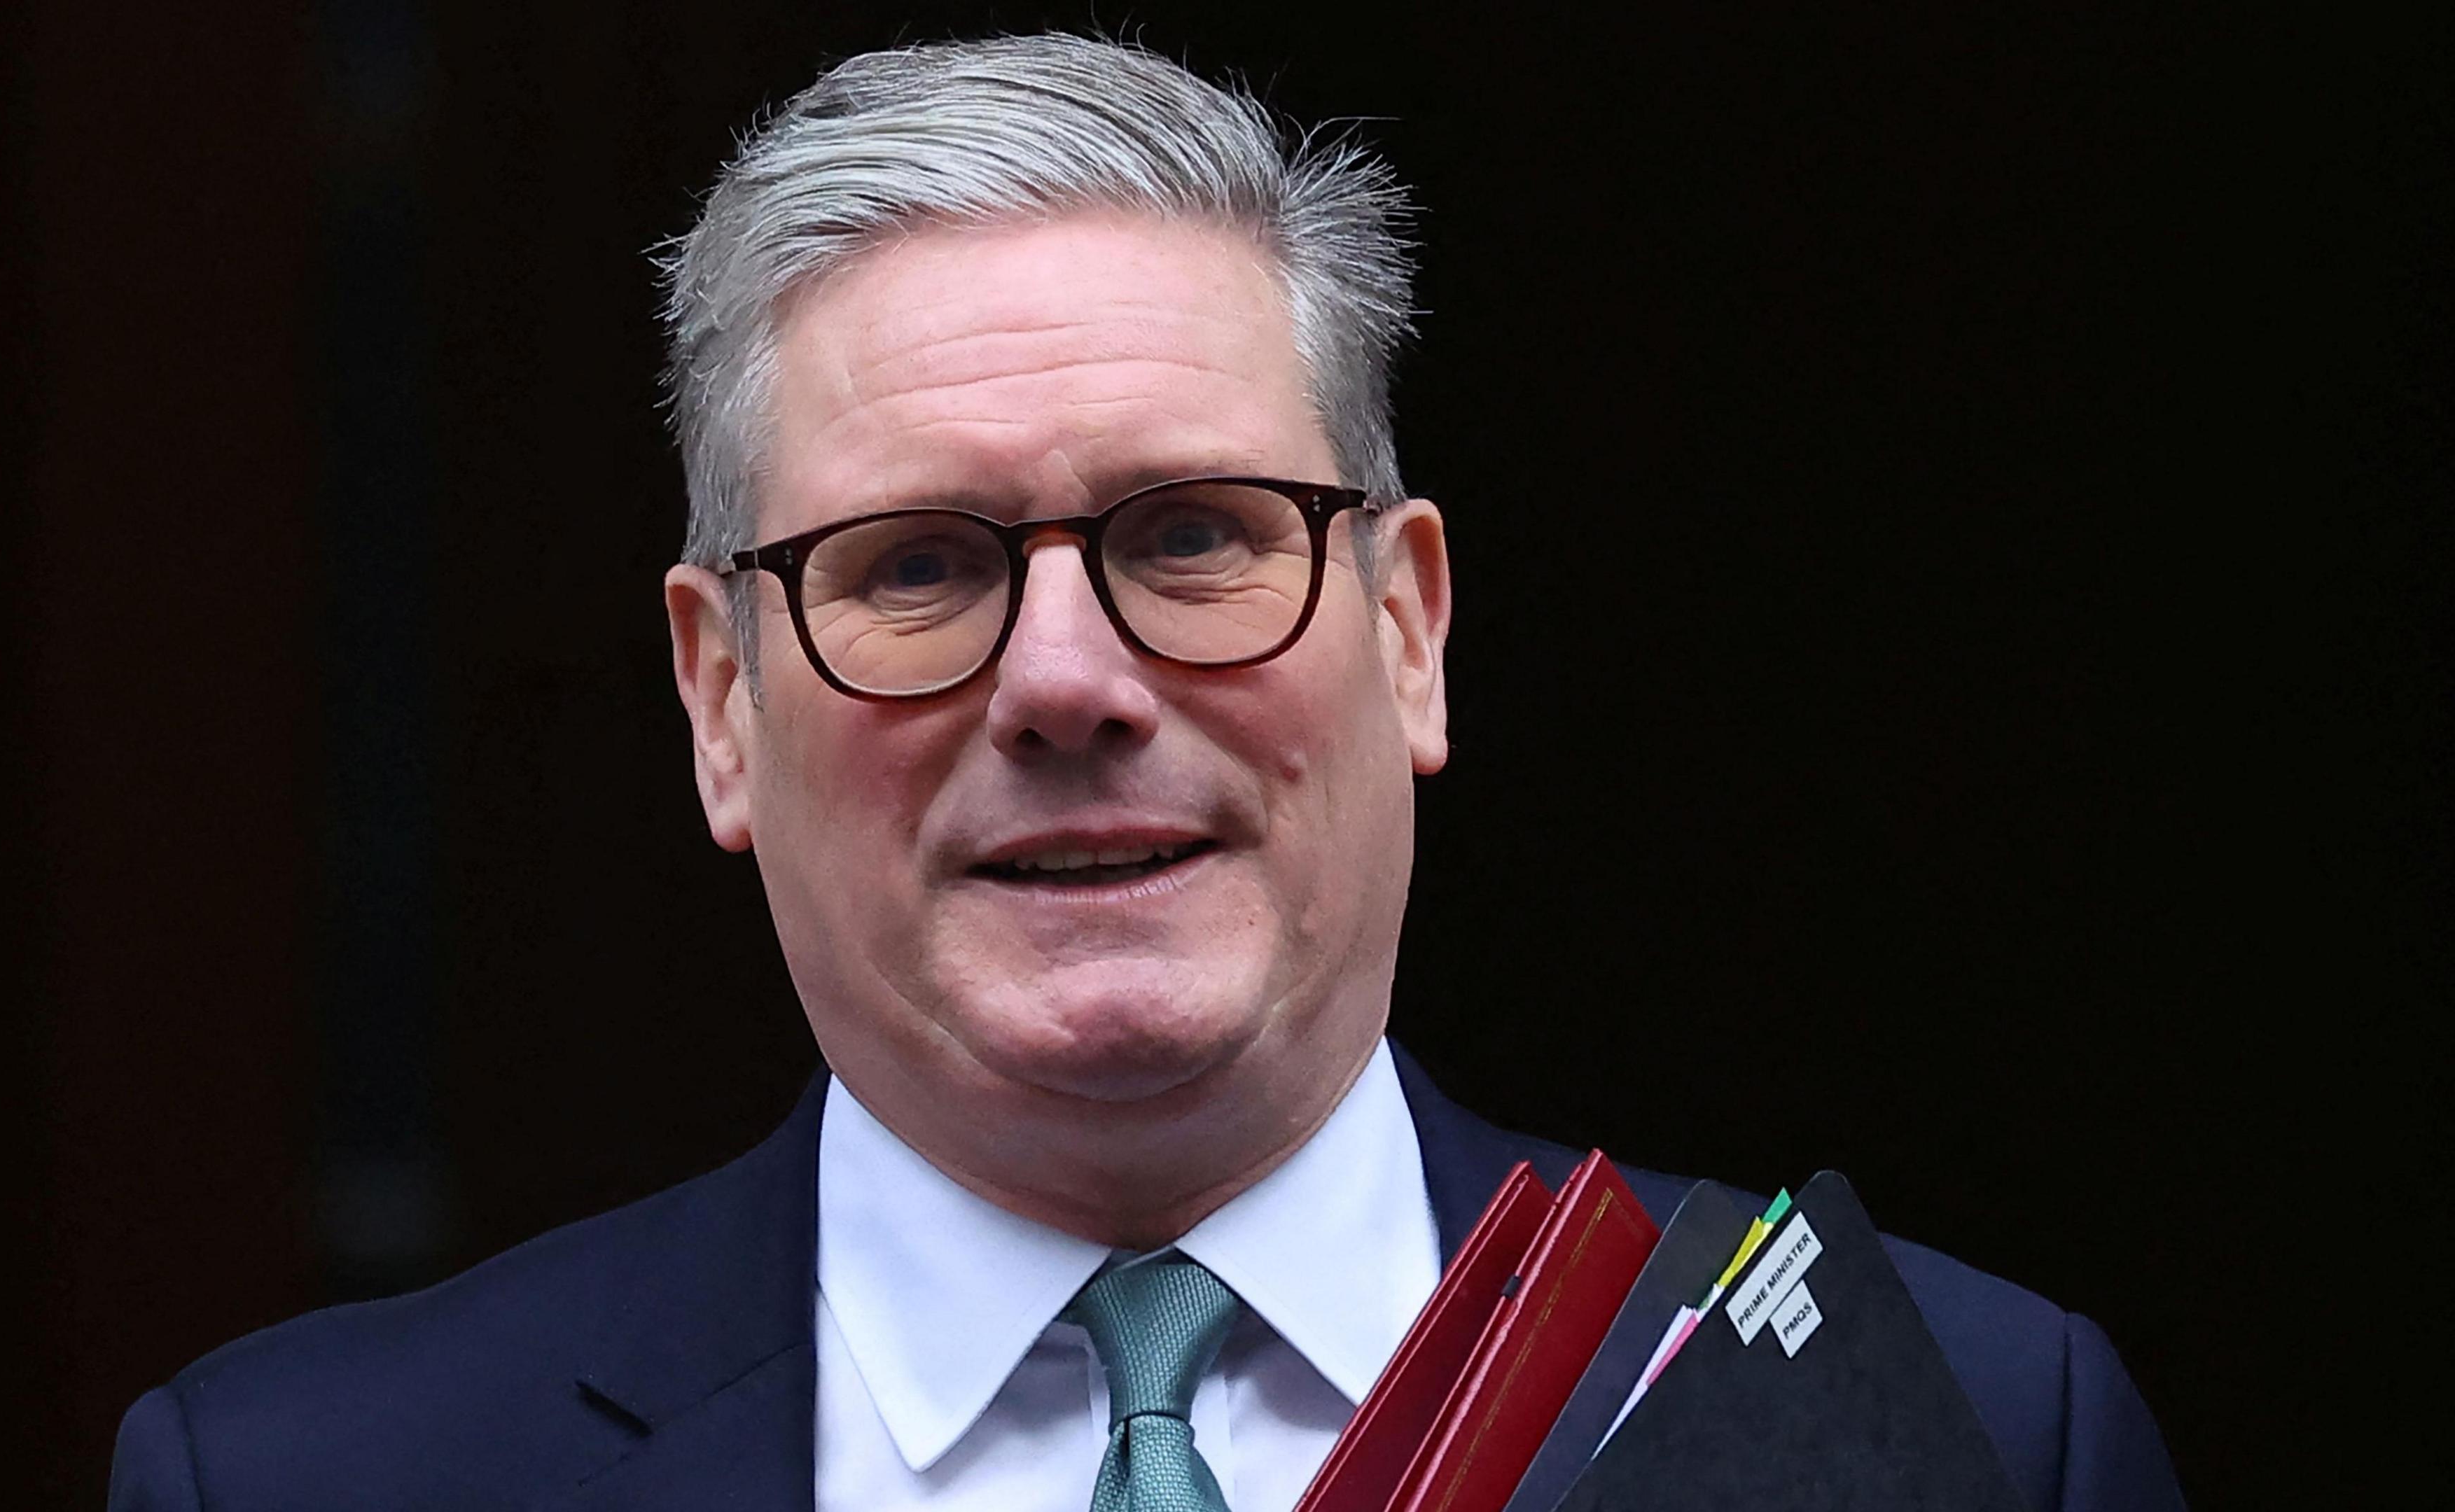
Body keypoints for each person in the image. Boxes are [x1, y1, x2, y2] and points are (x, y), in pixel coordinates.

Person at [109, 33, 2182, 1512]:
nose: (1072, 683)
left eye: (1194, 535)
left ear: (1408, 629)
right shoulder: (318, 1479)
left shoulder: (1955, 1435)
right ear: (720, 701)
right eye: (915, 568)